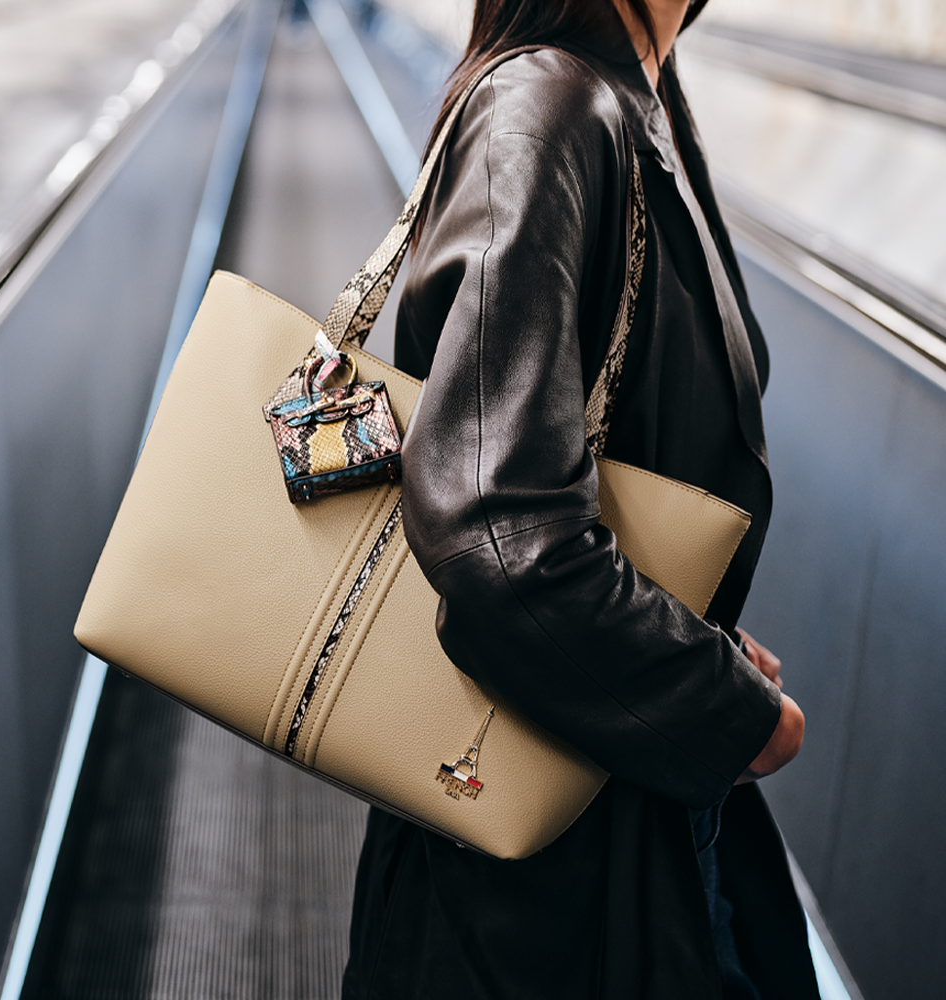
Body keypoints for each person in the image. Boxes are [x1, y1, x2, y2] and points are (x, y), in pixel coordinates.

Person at [342, 1, 818, 997]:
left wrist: (703, 643)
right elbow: (498, 531)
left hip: (606, 811)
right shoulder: (550, 107)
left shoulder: (634, 100)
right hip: (539, 872)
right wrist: (728, 708)